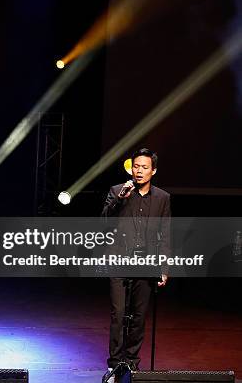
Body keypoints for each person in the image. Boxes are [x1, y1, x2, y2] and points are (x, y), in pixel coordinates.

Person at [101, 148, 171, 381]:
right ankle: (114, 365)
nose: (139, 171)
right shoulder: (117, 191)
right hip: (119, 259)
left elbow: (166, 233)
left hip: (146, 262)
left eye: (144, 167)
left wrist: (164, 266)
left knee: (139, 315)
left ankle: (131, 363)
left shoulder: (162, 198)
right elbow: (104, 222)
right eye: (136, 167)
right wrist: (120, 199)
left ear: (153, 171)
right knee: (118, 314)